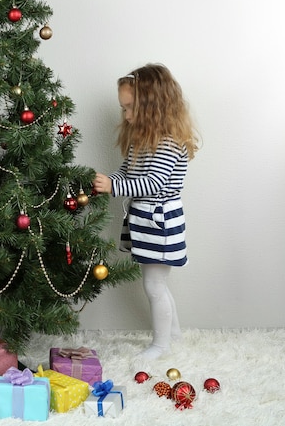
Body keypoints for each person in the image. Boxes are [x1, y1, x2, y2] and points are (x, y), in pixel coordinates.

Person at [93, 63, 199, 360]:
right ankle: (173, 335)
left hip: (160, 221)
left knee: (154, 285)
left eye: (129, 108)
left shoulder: (167, 143)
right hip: (146, 220)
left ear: (153, 106)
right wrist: (107, 181)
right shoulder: (142, 142)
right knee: (157, 284)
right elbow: (126, 173)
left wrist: (113, 187)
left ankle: (161, 345)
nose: (125, 115)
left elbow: (153, 184)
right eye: (123, 109)